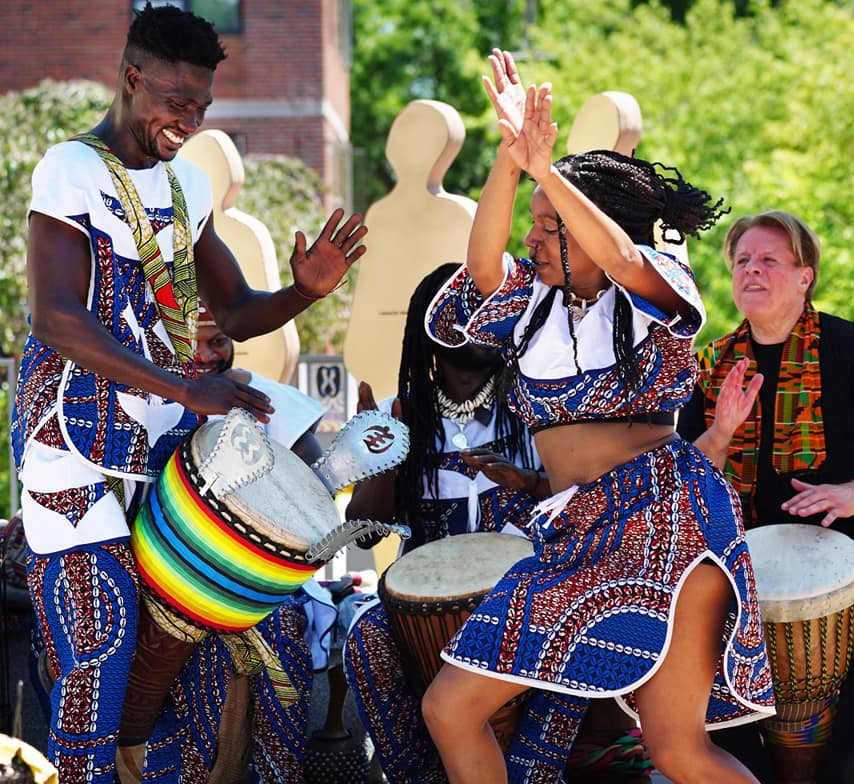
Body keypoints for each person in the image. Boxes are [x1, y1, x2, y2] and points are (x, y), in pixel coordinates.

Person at [10, 5, 366, 782]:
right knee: (99, 649)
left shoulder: (186, 184)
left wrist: (302, 294)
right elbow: (56, 317)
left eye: (201, 105)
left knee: (198, 664)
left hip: (162, 450)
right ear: (132, 80)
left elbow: (235, 310)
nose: (189, 118)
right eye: (176, 100)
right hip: (70, 451)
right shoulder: (70, 169)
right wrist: (186, 387)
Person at [419, 49, 775, 784]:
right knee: (451, 708)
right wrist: (513, 161)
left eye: (549, 227)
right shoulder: (530, 305)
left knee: (679, 751)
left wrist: (550, 172)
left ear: (593, 226)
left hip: (668, 524)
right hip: (579, 531)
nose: (532, 237)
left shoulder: (656, 284)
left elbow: (622, 259)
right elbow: (483, 266)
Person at [677, 209, 854, 784]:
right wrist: (722, 431)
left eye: (769, 260)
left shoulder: (853, 349)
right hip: (740, 544)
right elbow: (687, 476)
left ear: (805, 276)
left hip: (850, 534)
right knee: (690, 613)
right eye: (743, 261)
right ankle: (749, 773)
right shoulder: (712, 366)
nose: (752, 270)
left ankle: (840, 775)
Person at [341, 263, 549, 784]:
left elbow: (576, 498)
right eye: (466, 307)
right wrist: (386, 453)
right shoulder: (405, 413)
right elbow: (363, 533)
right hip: (423, 614)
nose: (482, 318)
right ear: (433, 325)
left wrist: (529, 483)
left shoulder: (537, 406)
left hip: (525, 600)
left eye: (492, 307)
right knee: (367, 635)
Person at [132, 302, 326, 784]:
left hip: (257, 586)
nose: (206, 354)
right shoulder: (147, 400)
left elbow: (316, 487)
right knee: (192, 647)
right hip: (162, 578)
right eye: (192, 342)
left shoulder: (263, 398)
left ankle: (280, 775)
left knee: (280, 632)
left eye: (217, 340)